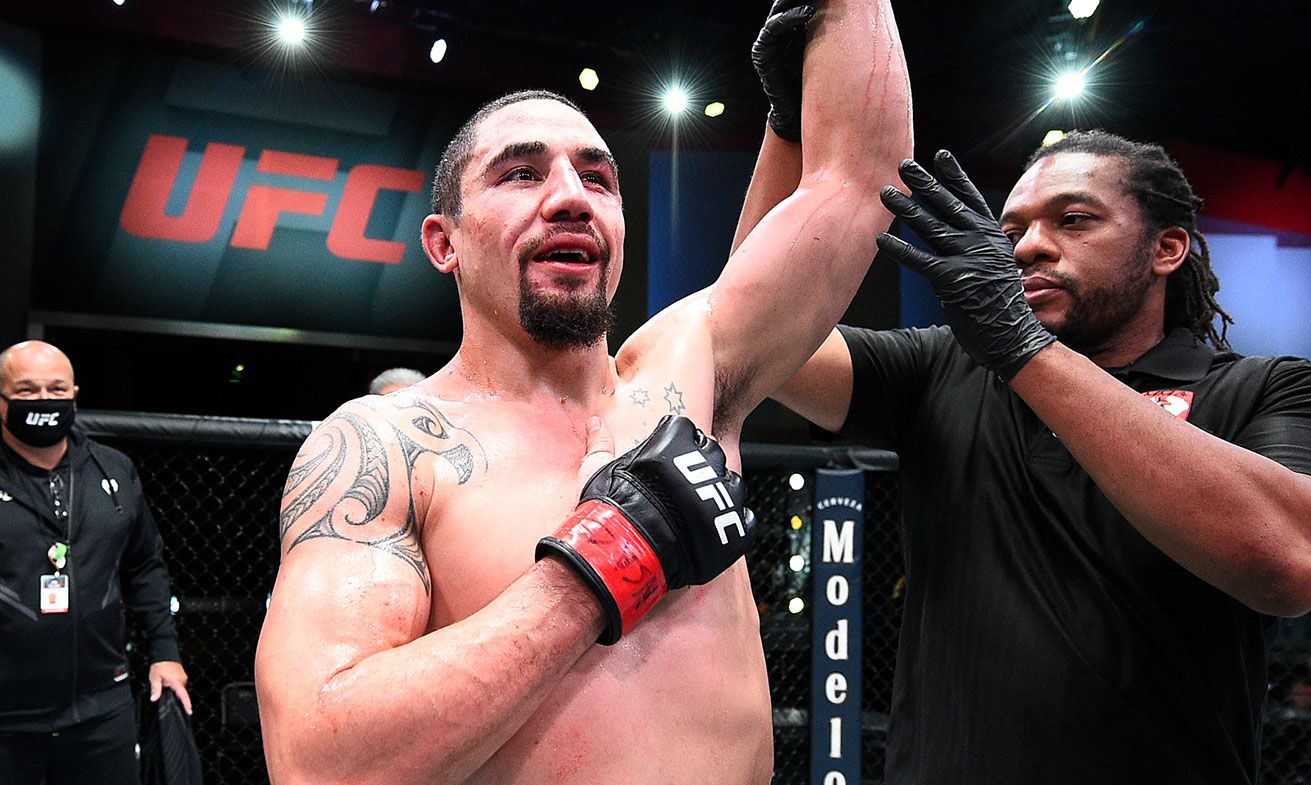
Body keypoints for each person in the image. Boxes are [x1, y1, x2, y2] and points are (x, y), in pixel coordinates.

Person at [254, 2, 912, 783]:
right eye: (521, 173)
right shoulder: (386, 444)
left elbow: (858, 178)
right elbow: (320, 759)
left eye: (598, 176)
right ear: (445, 242)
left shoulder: (686, 371)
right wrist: (604, 560)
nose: (571, 196)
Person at [771, 130, 1311, 784]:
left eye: (1073, 220)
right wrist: (789, 130)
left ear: (1167, 247)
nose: (1028, 245)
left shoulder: (1273, 389)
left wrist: (1024, 351)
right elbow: (753, 332)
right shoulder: (942, 367)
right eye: (1010, 230)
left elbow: (1297, 557)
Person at [0, 340, 193, 785]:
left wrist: (165, 652)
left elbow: (145, 566)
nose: (44, 401)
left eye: (56, 389)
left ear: (74, 393)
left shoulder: (113, 469)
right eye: (27, 391)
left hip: (100, 708)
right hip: (7, 716)